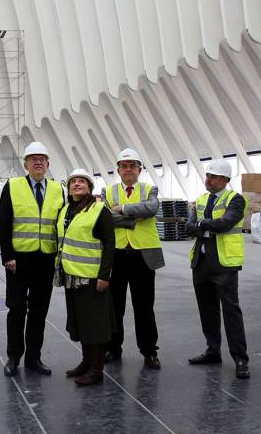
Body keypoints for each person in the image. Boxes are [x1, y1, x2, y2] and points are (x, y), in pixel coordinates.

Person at [0, 142, 65, 377]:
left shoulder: (58, 190)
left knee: (39, 311)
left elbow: (62, 224)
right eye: (33, 159)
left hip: (45, 259)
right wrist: (8, 255)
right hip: (19, 261)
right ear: (25, 164)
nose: (38, 162)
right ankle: (13, 356)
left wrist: (60, 256)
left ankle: (34, 358)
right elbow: (4, 222)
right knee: (16, 308)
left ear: (48, 164)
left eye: (42, 159)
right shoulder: (13, 186)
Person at [184, 159, 250, 379]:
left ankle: (240, 358)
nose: (208, 180)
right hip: (200, 263)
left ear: (225, 180)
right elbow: (188, 228)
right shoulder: (201, 200)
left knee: (231, 311)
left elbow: (225, 224)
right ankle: (213, 351)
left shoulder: (236, 200)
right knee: (207, 310)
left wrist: (202, 224)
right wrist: (205, 226)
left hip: (224, 263)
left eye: (213, 176)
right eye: (207, 175)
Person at [104, 148, 164, 369]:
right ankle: (112, 348)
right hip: (117, 255)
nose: (128, 170)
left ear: (140, 169)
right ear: (118, 170)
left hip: (143, 256)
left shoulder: (150, 188)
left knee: (145, 306)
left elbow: (152, 208)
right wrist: (133, 218)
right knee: (114, 306)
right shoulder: (108, 191)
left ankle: (149, 351)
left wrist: (123, 209)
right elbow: (107, 218)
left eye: (133, 166)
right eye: (124, 166)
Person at [55, 168, 115, 386]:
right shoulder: (66, 210)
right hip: (72, 276)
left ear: (90, 187)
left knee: (95, 326)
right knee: (81, 323)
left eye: (82, 182)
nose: (76, 184)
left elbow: (110, 244)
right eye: (73, 182)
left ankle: (97, 369)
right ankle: (86, 361)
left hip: (91, 277)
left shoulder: (99, 210)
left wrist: (104, 275)